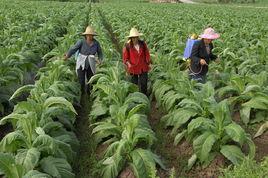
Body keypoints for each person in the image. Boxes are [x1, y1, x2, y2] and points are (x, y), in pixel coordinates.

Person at [64, 26, 103, 94]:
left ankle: (89, 92)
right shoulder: (81, 42)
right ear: (86, 35)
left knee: (90, 79)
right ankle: (81, 93)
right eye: (88, 35)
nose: (90, 36)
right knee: (81, 79)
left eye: (91, 35)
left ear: (93, 36)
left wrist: (100, 59)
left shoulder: (96, 43)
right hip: (81, 62)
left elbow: (100, 52)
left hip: (91, 62)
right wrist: (67, 55)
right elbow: (74, 49)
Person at [123, 27, 151, 95]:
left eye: (136, 37)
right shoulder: (128, 46)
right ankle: (136, 98)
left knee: (144, 83)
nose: (134, 39)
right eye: (133, 37)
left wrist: (148, 63)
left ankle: (144, 97)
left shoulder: (143, 44)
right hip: (133, 68)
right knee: (134, 85)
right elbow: (125, 58)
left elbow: (147, 54)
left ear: (138, 37)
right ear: (130, 38)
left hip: (143, 67)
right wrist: (128, 64)